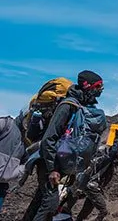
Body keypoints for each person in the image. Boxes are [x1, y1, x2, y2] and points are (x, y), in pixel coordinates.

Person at [22, 71, 108, 221]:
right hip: (48, 160)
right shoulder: (67, 105)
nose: (100, 91)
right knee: (50, 204)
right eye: (97, 87)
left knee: (41, 200)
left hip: (59, 161)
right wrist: (52, 169)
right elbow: (50, 137)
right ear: (87, 86)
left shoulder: (81, 106)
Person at [69, 135, 118, 221]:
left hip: (94, 188)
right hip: (92, 188)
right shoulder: (103, 159)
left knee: (85, 212)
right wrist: (117, 139)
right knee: (103, 211)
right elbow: (112, 153)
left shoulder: (112, 162)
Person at [0, 116, 26, 214]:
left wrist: (15, 173)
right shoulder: (7, 124)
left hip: (2, 186)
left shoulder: (28, 142)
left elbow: (25, 165)